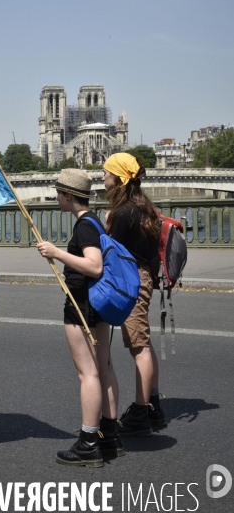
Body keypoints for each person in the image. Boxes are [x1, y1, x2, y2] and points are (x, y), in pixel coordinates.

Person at [37, 168, 121, 468]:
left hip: (81, 304)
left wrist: (57, 253)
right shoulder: (95, 221)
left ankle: (88, 442)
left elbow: (94, 266)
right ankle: (109, 435)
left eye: (59, 192)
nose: (56, 196)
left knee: (88, 374)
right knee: (104, 367)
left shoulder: (84, 226)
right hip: (96, 303)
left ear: (68, 195)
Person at [102, 152, 165, 436]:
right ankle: (153, 404)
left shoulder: (123, 212)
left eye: (106, 173)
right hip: (145, 276)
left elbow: (109, 252)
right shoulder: (144, 207)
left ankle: (140, 413)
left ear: (117, 178)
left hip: (131, 280)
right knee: (144, 342)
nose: (102, 177)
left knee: (137, 346)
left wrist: (106, 225)